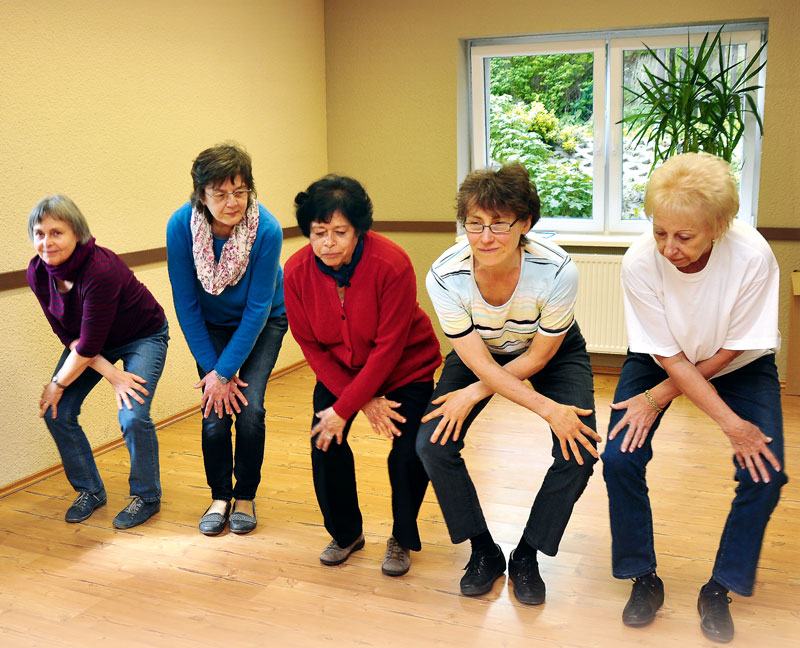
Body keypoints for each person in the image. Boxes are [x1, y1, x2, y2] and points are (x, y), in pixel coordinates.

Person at [602, 152, 786, 643]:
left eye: (684, 236)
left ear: (719, 226)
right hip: (663, 360)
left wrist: (662, 400)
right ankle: (643, 579)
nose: (668, 247)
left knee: (765, 470)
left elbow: (733, 347)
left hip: (739, 362)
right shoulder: (640, 261)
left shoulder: (752, 255)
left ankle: (720, 588)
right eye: (660, 231)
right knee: (619, 457)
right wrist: (664, 395)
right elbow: (673, 361)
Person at [417, 162, 601, 602]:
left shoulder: (557, 270)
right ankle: (484, 550)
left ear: (526, 224)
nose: (484, 238)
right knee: (431, 443)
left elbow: (539, 356)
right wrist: (481, 389)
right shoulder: (444, 274)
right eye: (474, 224)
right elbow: (479, 361)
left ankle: (527, 554)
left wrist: (483, 396)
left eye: (499, 225)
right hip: (479, 353)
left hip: (551, 351)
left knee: (580, 448)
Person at [283, 175, 441, 576]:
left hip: (407, 368)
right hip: (341, 371)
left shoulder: (392, 263)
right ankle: (346, 533)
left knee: (408, 453)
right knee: (325, 439)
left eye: (340, 232)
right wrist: (356, 402)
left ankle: (402, 538)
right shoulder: (296, 271)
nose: (329, 243)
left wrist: (350, 404)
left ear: (359, 231)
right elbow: (310, 345)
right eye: (319, 233)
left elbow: (389, 347)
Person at [28, 195, 169, 529]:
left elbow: (89, 343)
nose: (47, 242)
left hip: (143, 334)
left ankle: (147, 496)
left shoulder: (99, 269)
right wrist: (112, 376)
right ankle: (90, 490)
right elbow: (70, 337)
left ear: (77, 233)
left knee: (133, 415)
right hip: (91, 345)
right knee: (56, 410)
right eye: (39, 233)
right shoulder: (37, 273)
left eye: (56, 232)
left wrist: (57, 383)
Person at [167, 143, 287, 536]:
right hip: (210, 327)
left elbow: (257, 310)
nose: (232, 202)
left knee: (249, 410)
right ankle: (220, 496)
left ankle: (246, 496)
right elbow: (186, 306)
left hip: (263, 321)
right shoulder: (180, 226)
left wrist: (225, 371)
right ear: (201, 194)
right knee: (215, 412)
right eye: (220, 193)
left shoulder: (265, 229)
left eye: (240, 191)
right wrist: (216, 374)